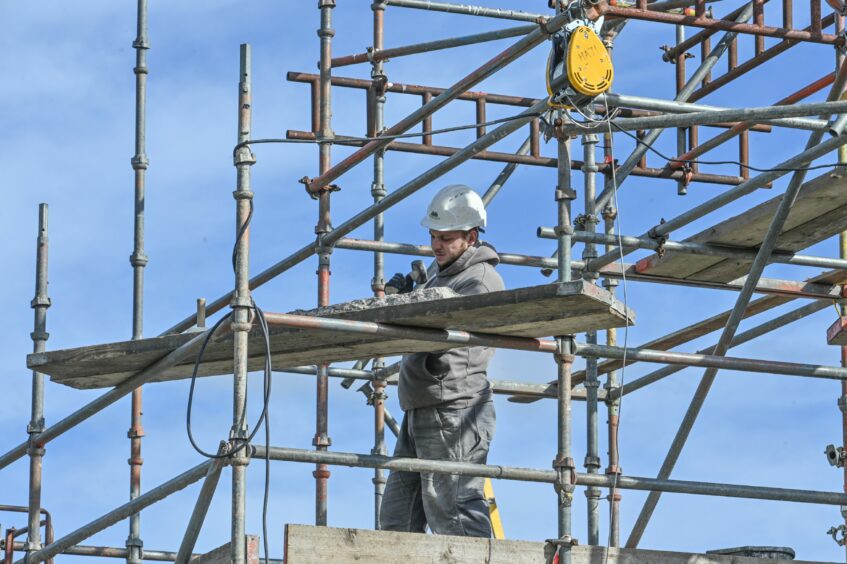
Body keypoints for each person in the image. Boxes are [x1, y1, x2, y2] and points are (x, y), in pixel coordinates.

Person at [379, 184, 505, 537]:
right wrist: (407, 300)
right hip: (422, 405)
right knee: (397, 520)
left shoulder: (479, 280)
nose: (436, 245)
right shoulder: (443, 276)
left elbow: (443, 336)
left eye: (446, 238)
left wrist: (409, 310)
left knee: (455, 514)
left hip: (453, 409)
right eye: (434, 236)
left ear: (471, 236)